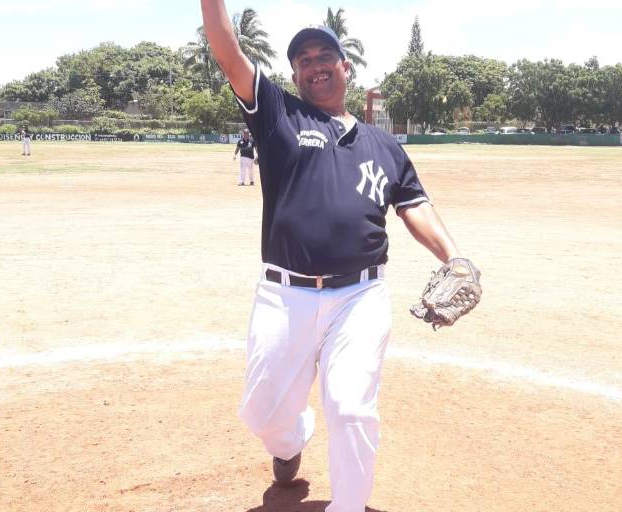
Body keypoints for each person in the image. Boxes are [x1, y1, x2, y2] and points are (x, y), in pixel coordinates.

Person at [201, 2, 475, 510]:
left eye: (324, 54)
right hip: (285, 295)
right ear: (294, 74)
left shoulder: (383, 145)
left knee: (352, 409)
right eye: (303, 59)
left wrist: (454, 258)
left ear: (346, 67)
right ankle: (290, 439)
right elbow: (226, 47)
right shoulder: (278, 114)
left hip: (360, 295)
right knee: (263, 414)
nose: (314, 63)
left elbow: (414, 206)